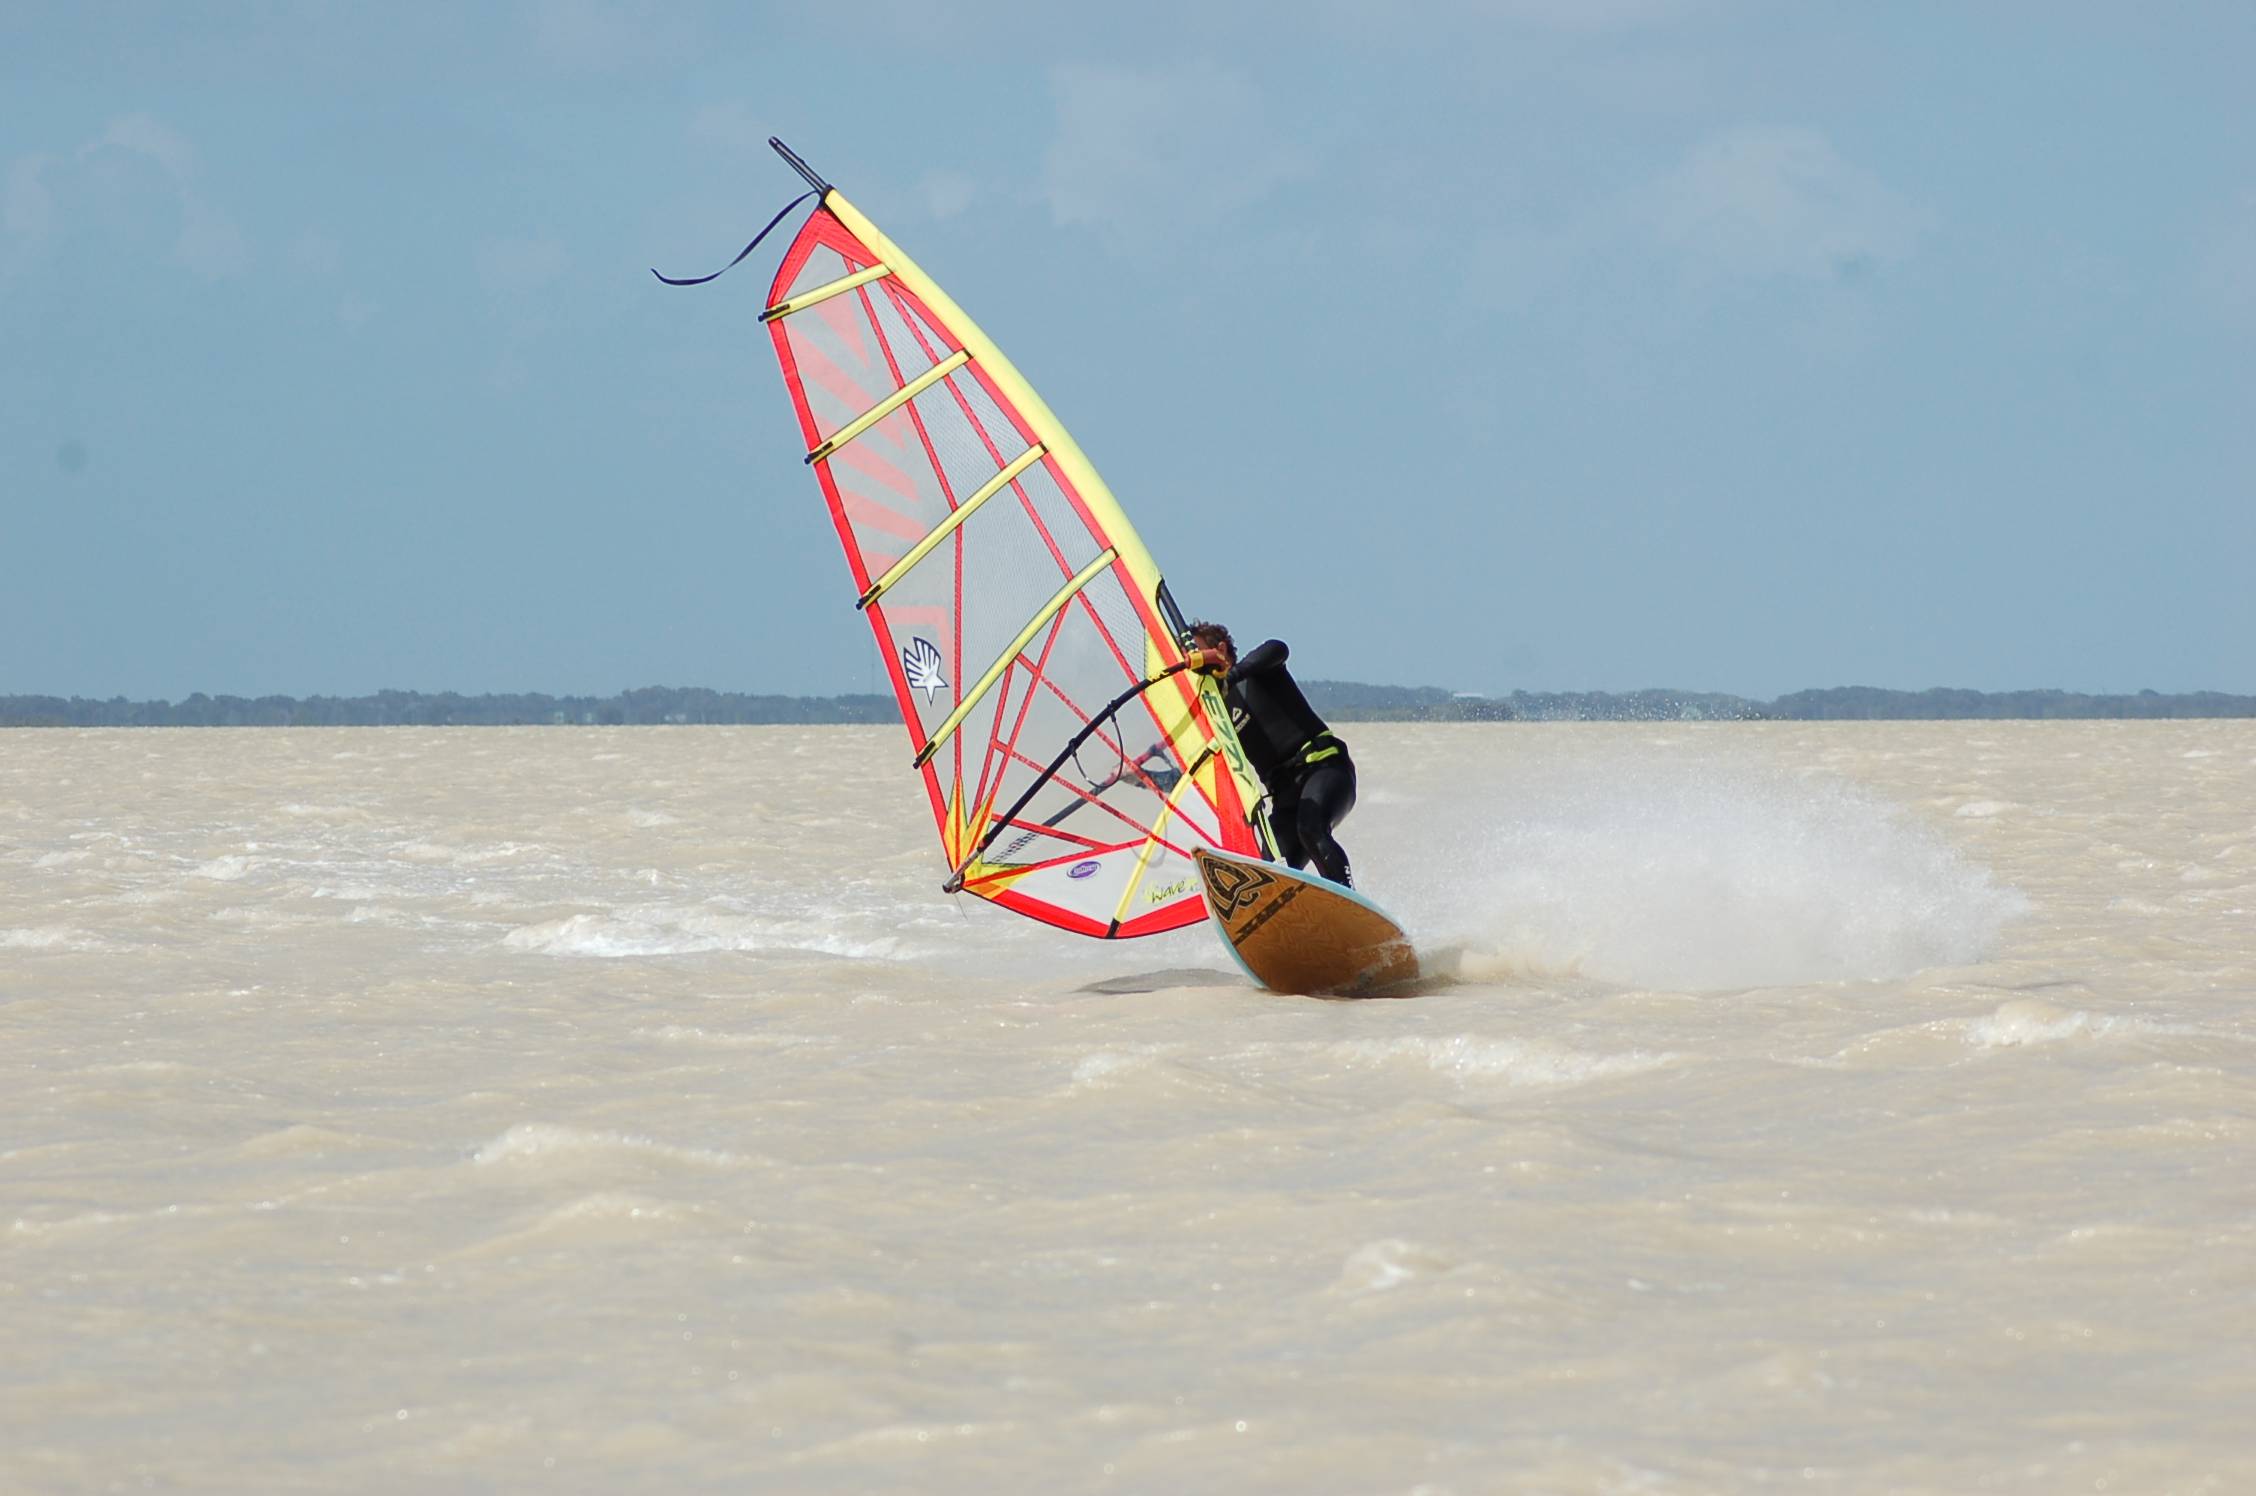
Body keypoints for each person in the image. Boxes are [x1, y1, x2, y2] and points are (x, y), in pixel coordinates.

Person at [1182, 621, 1356, 887]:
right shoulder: (1216, 717)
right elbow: (1193, 771)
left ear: (1221, 649)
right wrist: (1139, 777)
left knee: (1311, 828)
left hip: (1324, 769)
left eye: (1197, 650)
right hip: (1285, 800)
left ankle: (1348, 898)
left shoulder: (1257, 672)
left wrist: (1231, 676)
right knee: (1268, 871)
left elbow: (1278, 647)